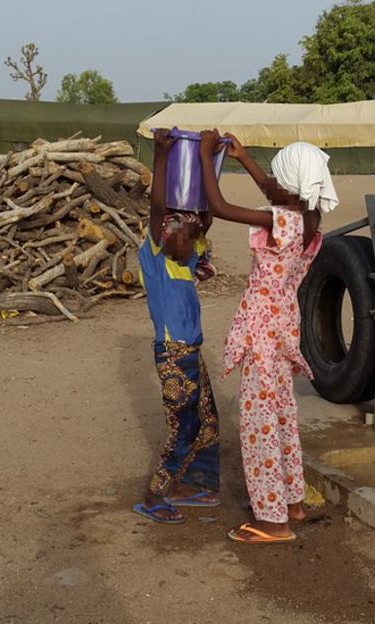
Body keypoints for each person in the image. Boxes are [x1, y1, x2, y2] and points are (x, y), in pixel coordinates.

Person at [198, 130, 338, 544]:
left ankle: (273, 521)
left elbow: (219, 206)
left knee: (258, 423)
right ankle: (292, 500)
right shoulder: (309, 220)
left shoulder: (282, 221)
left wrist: (207, 159)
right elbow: (278, 192)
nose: (270, 183)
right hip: (282, 324)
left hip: (262, 330)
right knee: (281, 414)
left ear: (289, 186)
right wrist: (243, 158)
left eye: (276, 177)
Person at [132, 129, 221, 525]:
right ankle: (154, 496)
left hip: (191, 354)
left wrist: (213, 160)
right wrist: (161, 156)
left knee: (207, 421)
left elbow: (205, 219)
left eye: (183, 233)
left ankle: (184, 484)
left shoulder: (184, 263)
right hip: (172, 357)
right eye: (171, 231)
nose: (176, 233)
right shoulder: (155, 259)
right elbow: (156, 209)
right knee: (181, 428)